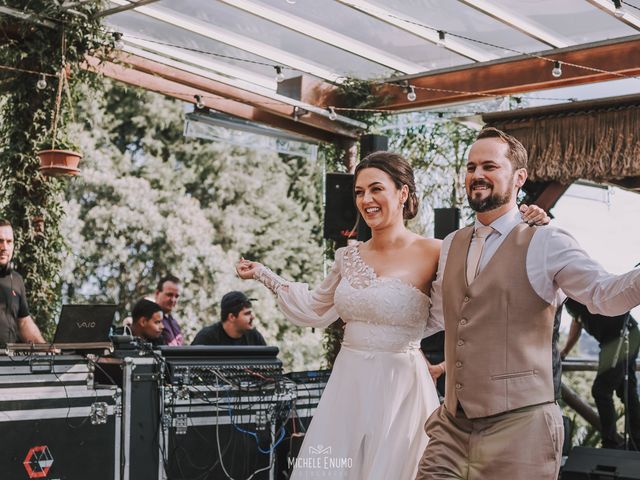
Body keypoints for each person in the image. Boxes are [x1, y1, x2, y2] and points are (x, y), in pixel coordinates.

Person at [237, 151, 548, 480]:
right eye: (359, 192)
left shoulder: (437, 250)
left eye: (375, 189)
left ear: (402, 193)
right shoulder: (348, 255)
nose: (366, 199)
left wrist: (524, 225)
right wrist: (263, 274)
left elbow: (474, 296)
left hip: (400, 388)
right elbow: (316, 306)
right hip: (348, 385)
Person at [416, 127, 640, 480]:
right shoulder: (451, 244)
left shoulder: (546, 240)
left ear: (519, 177)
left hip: (521, 429)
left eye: (489, 166)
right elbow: (438, 317)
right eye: (471, 167)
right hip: (451, 427)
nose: (477, 175)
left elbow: (604, 294)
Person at [561, 298, 640, 450]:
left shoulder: (576, 285)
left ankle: (611, 444)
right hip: (624, 336)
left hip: (622, 335)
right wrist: (565, 351)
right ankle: (636, 442)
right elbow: (577, 321)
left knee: (601, 390)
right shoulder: (569, 296)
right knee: (627, 391)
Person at [0, 219, 45, 346]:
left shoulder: (17, 280)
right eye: (0, 241)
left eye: (9, 242)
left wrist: (46, 349)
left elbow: (24, 323)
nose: (4, 247)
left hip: (9, 363)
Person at [192, 291, 266, 346]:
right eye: (247, 314)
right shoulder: (207, 337)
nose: (252, 317)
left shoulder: (254, 337)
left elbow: (269, 364)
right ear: (231, 317)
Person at [155, 274, 184, 346]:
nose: (173, 300)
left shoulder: (174, 322)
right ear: (157, 293)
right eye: (169, 295)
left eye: (176, 296)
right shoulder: (148, 318)